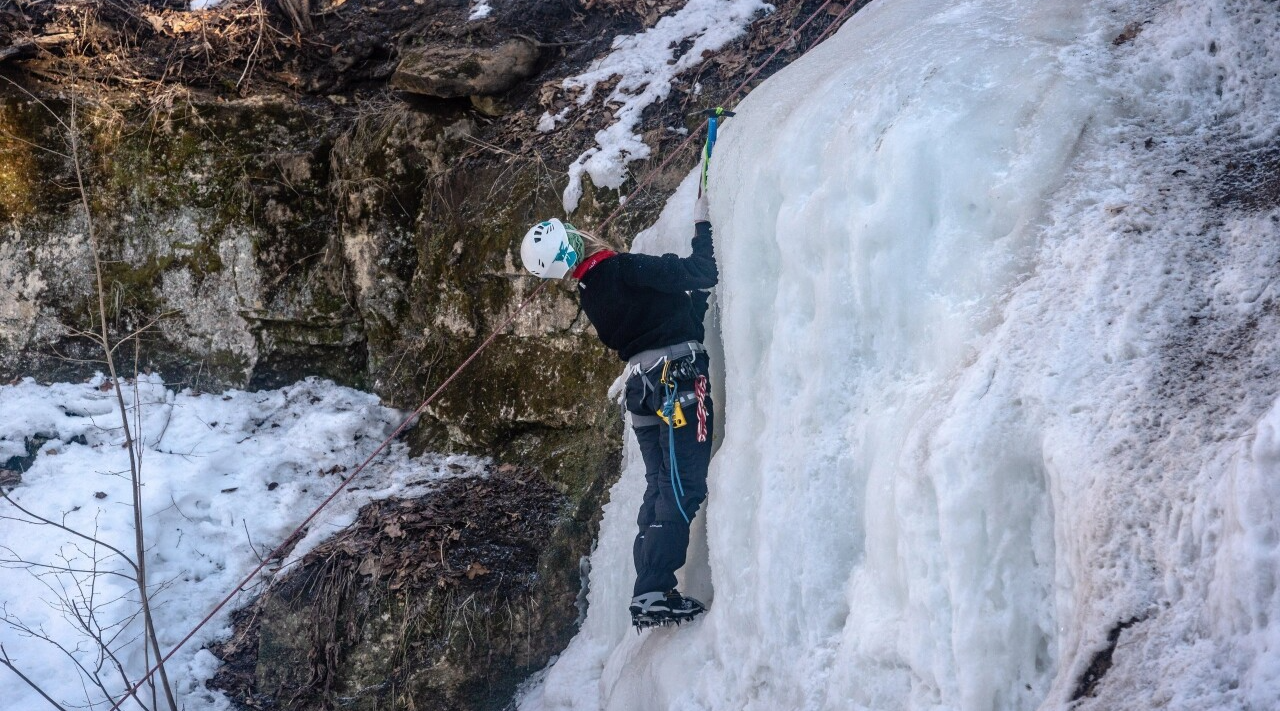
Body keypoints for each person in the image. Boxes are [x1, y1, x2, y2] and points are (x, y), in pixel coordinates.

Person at [519, 195, 717, 629]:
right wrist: (704, 230)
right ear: (574, 239)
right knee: (682, 487)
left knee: (659, 486)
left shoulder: (593, 294)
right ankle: (654, 587)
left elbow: (669, 315)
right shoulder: (623, 269)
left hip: (645, 390)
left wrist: (695, 303)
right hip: (678, 381)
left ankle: (648, 588)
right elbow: (704, 271)